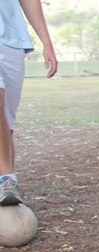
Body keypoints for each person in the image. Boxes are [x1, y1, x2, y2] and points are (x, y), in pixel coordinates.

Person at [0, 0, 57, 206]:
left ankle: (6, 189)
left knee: (7, 123)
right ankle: (6, 178)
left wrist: (46, 41)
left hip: (9, 38)